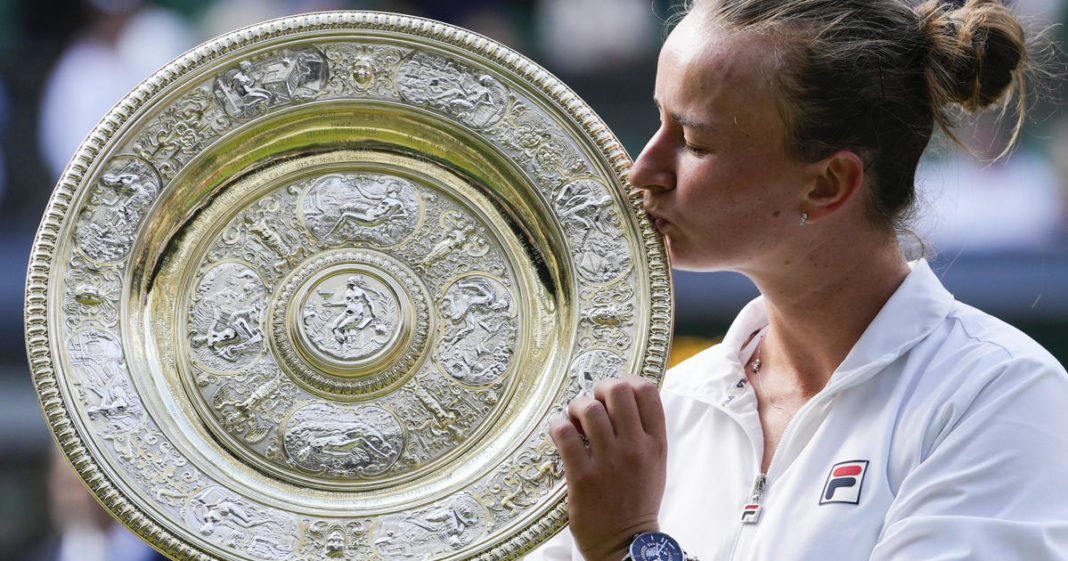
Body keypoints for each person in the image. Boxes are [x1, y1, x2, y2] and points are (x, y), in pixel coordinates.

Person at [529, 1, 1068, 560]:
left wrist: (628, 545)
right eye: (659, 119)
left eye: (695, 142)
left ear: (828, 184)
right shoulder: (665, 407)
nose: (644, 169)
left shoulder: (999, 395)